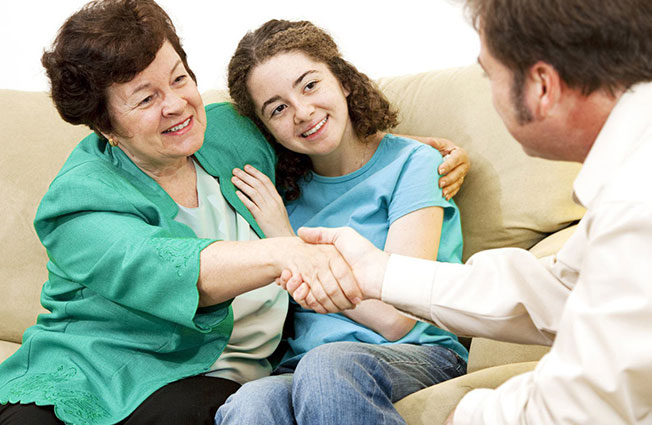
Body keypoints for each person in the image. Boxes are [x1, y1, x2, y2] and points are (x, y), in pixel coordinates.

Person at [0, 2, 468, 424]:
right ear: (106, 125)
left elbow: (320, 126)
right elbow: (168, 267)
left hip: (343, 359)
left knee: (303, 377)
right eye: (145, 98)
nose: (177, 105)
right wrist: (285, 249)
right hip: (102, 364)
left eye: (180, 78)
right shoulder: (81, 198)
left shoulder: (230, 135)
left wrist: (414, 151)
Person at [290, 0, 652, 424]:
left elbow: (583, 401)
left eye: (488, 75)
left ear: (541, 86)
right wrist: (381, 273)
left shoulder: (635, 203)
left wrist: (468, 415)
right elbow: (557, 290)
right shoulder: (630, 178)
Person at [213, 19, 468, 425]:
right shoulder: (279, 198)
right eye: (277, 108)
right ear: (267, 130)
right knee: (249, 402)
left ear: (344, 80)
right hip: (305, 367)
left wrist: (287, 242)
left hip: (420, 353)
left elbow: (396, 318)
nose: (302, 112)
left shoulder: (413, 165)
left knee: (328, 366)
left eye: (310, 85)